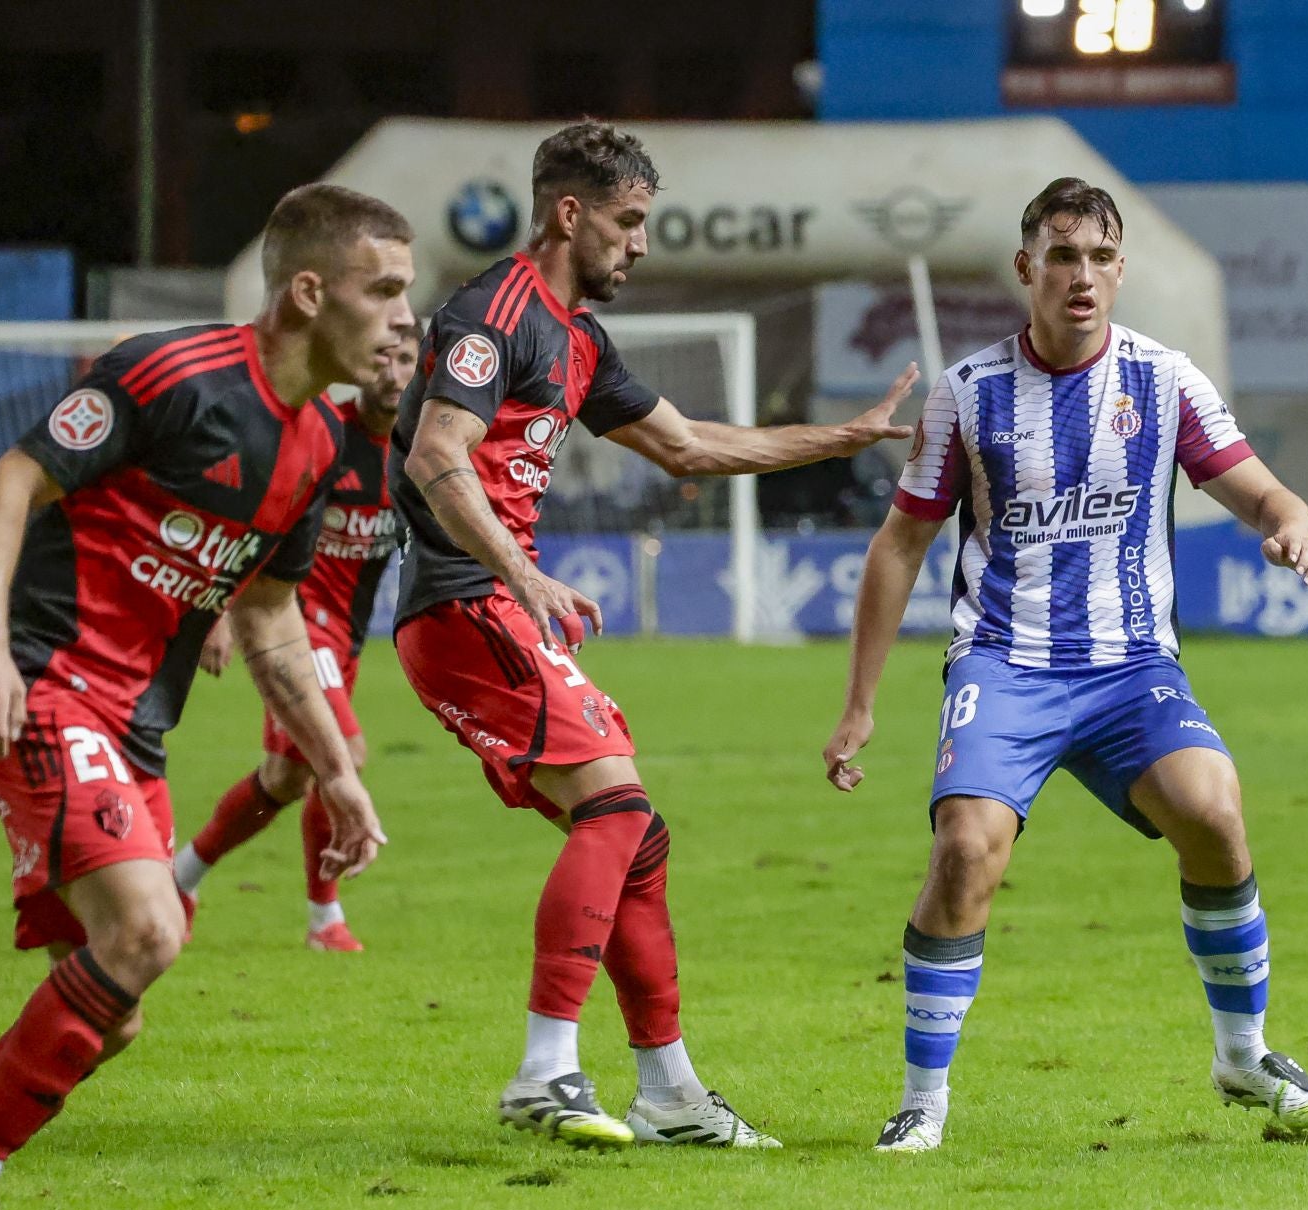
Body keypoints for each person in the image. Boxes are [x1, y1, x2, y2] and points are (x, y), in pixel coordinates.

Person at [0, 184, 409, 1210]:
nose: (402, 318)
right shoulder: (178, 372)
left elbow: (270, 620)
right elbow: (2, 485)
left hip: (131, 726)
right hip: (39, 686)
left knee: (112, 1013)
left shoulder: (314, 448)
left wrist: (340, 772)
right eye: (383, 290)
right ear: (309, 291)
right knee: (147, 930)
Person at [391, 120, 916, 1151]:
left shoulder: (577, 339)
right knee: (619, 805)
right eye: (627, 223)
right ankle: (546, 1068)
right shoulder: (493, 310)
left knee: (635, 834)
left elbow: (687, 446)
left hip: (490, 605)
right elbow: (433, 453)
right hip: (465, 603)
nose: (638, 245)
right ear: (569, 212)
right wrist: (521, 569)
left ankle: (669, 1089)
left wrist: (841, 437)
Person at [821, 177, 1308, 1155]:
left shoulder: (1166, 380)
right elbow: (900, 546)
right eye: (1063, 257)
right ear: (1026, 268)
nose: (1083, 277)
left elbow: (1270, 494)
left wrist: (1290, 529)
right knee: (967, 850)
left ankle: (1244, 1052)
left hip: (1131, 665)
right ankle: (922, 1100)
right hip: (1005, 660)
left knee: (1215, 807)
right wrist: (859, 704)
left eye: (1102, 257)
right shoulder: (967, 395)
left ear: (1120, 269)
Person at [172, 328, 418, 952]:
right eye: (382, 357)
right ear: (361, 366)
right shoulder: (327, 437)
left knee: (284, 776)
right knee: (345, 754)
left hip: (350, 636)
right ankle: (323, 919)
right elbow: (258, 517)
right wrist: (221, 610)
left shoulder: (422, 449)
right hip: (299, 624)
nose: (392, 372)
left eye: (407, 360)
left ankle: (181, 876)